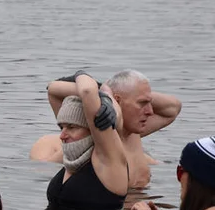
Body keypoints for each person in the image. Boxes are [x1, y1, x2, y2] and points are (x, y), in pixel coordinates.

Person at [31, 69, 181, 187]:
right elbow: (53, 89)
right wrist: (103, 94)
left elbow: (173, 108)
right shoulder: (102, 132)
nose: (150, 111)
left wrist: (131, 93)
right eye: (142, 103)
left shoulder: (133, 129)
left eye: (149, 102)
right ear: (117, 101)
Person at [45, 72, 129, 210]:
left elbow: (87, 91)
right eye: (61, 127)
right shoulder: (74, 158)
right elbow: (52, 89)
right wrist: (102, 93)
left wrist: (103, 95)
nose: (62, 136)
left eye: (71, 127)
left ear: (91, 129)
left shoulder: (107, 158)